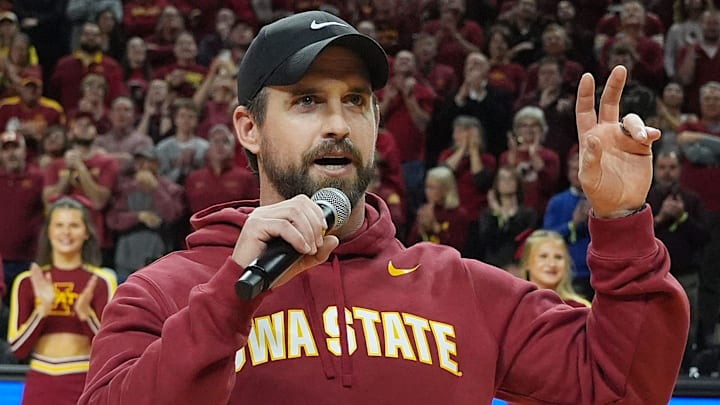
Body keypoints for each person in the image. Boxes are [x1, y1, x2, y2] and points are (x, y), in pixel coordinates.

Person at [80, 11, 689, 405]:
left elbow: (623, 386)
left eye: (357, 101)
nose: (339, 124)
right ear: (248, 128)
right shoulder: (163, 294)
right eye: (308, 101)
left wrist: (620, 220)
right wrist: (228, 302)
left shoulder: (459, 287)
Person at [8, 196, 117, 405]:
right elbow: (18, 349)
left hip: (84, 381)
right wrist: (42, 310)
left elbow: (110, 349)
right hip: (40, 382)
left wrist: (87, 315)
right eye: (59, 225)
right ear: (48, 231)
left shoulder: (102, 281)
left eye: (74, 225)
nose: (66, 233)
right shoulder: (27, 281)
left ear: (86, 232)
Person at [517, 230, 591, 308]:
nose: (552, 264)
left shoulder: (580, 309)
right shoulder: (514, 306)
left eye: (558, 257)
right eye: (543, 256)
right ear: (527, 262)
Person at [406, 165, 471, 251]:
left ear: (446, 190)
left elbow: (456, 248)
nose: (427, 192)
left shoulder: (459, 215)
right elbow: (410, 244)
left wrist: (435, 228)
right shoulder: (425, 211)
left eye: (432, 188)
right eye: (426, 187)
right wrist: (420, 229)